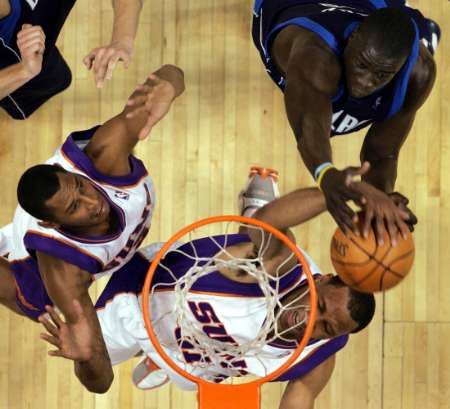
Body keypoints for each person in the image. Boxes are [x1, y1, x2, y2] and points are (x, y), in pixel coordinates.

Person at [39, 167, 376, 407]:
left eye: (327, 328)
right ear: (319, 280)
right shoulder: (285, 267)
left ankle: (161, 360)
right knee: (261, 232)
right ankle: (252, 211)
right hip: (141, 301)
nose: (307, 321)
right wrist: (329, 193)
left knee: (189, 376)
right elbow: (97, 385)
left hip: (199, 357)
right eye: (317, 306)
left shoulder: (317, 361)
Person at [0, 64, 185, 393]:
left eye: (81, 188)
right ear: (53, 223)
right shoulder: (63, 275)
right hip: (32, 271)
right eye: (76, 207)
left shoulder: (104, 154)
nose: (93, 203)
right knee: (28, 298)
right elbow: (101, 382)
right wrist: (85, 357)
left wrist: (169, 89)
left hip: (51, 226)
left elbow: (172, 72)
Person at [251, 0, 439, 244]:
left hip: (367, 5)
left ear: (400, 68)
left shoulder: (418, 74)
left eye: (381, 75)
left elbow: (382, 154)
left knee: (400, 25)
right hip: (289, 6)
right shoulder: (313, 55)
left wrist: (381, 199)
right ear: (352, 40)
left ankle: (422, 32)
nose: (366, 81)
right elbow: (308, 129)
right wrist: (325, 173)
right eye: (362, 65)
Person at [0, 0, 145, 119]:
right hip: (16, 67)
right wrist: (24, 70)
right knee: (53, 81)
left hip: (37, 34)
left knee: (57, 73)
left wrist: (122, 40)